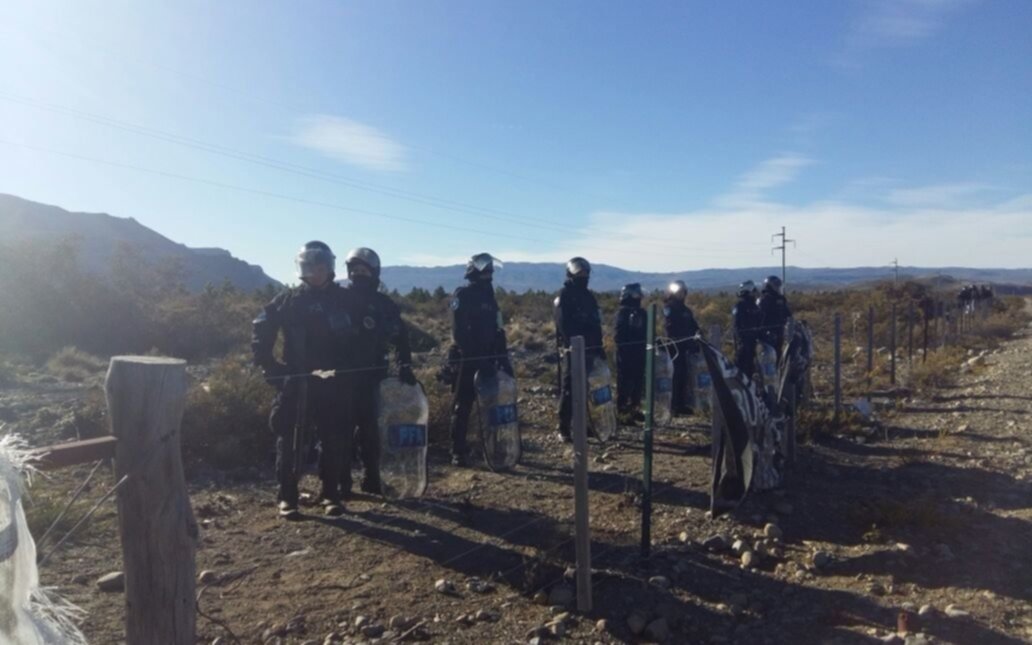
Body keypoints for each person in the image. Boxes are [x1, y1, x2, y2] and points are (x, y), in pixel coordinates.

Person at [252, 241, 352, 519]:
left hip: (333, 381)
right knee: (289, 439)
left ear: (328, 268)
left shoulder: (343, 299)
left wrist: (355, 370)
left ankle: (331, 495)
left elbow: (360, 338)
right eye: (308, 267)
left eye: (319, 267)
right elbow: (261, 327)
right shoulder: (289, 300)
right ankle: (287, 497)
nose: (314, 272)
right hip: (296, 380)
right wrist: (270, 367)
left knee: (334, 439)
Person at [341, 247, 415, 495]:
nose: (358, 274)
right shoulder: (337, 298)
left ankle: (372, 477)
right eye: (354, 270)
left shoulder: (384, 304)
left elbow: (401, 336)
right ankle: (339, 483)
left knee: (371, 429)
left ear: (374, 273)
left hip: (373, 376)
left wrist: (405, 363)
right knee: (338, 430)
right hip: (341, 377)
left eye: (364, 270)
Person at [448, 253, 512, 466]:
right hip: (468, 359)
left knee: (492, 406)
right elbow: (459, 333)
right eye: (485, 270)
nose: (488, 274)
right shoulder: (463, 295)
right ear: (473, 271)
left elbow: (498, 329)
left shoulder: (490, 298)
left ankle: (493, 448)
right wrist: (475, 357)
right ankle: (458, 451)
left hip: (489, 357)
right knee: (463, 406)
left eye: (490, 270)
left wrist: (503, 358)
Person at [554, 257, 605, 442]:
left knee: (588, 388)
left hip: (591, 347)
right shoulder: (565, 295)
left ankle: (585, 424)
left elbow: (596, 322)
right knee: (569, 389)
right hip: (573, 350)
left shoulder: (588, 296)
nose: (583, 276)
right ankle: (564, 427)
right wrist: (574, 345)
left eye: (585, 273)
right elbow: (563, 324)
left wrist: (599, 346)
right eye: (579, 273)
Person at [663, 280, 700, 414]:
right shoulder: (669, 308)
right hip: (674, 347)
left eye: (682, 292)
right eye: (678, 292)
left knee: (684, 375)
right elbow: (670, 328)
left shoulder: (686, 311)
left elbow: (694, 326)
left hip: (686, 347)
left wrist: (696, 338)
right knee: (675, 375)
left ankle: (682, 404)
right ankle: (673, 405)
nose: (680, 295)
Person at [613, 283, 646, 423]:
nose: (639, 296)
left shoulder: (642, 312)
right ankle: (622, 411)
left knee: (638, 381)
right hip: (626, 353)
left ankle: (635, 408)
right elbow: (618, 334)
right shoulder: (623, 312)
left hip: (640, 351)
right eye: (636, 293)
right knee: (625, 381)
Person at [732, 280, 762, 380]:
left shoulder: (755, 307)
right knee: (742, 369)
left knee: (752, 369)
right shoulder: (740, 306)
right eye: (754, 290)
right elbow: (737, 326)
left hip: (754, 343)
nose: (755, 292)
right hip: (744, 344)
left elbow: (759, 323)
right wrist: (742, 341)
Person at [757, 275, 792, 357]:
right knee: (768, 354)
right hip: (767, 332)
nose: (778, 288)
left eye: (778, 286)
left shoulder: (781, 299)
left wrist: (789, 323)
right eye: (776, 286)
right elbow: (759, 317)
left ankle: (778, 368)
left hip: (779, 330)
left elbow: (788, 313)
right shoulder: (763, 299)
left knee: (778, 352)